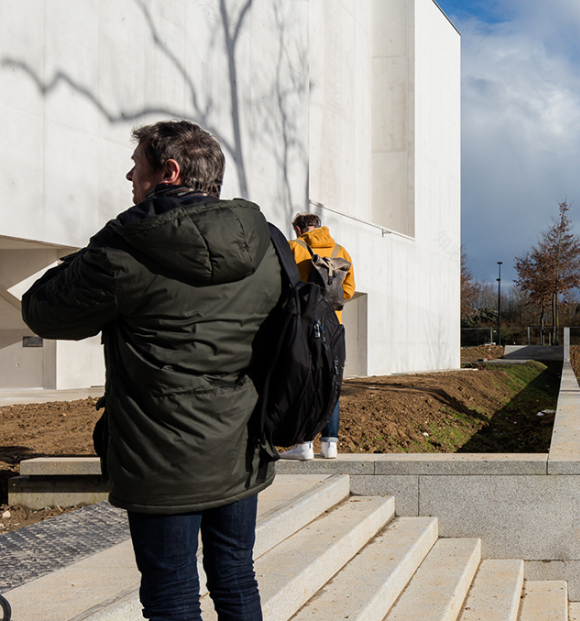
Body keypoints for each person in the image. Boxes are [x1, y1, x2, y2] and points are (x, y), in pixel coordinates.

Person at [22, 120, 281, 621]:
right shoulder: (265, 245)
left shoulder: (127, 249)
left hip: (160, 453)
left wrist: (96, 248)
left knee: (171, 594)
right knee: (236, 576)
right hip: (241, 441)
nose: (128, 176)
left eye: (136, 165)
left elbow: (41, 310)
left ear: (169, 171)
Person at [286, 213, 355, 459]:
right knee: (331, 381)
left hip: (303, 325)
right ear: (319, 225)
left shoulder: (294, 247)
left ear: (298, 228)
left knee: (304, 381)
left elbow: (283, 285)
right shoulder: (341, 250)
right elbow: (348, 289)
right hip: (333, 325)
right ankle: (330, 444)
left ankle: (304, 445)